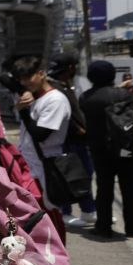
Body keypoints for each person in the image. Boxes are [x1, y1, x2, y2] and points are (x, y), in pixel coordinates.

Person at [80, 60, 133, 239]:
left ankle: (103, 226)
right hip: (126, 150)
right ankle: (132, 227)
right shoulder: (126, 95)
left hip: (100, 150)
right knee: (131, 189)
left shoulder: (85, 97)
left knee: (104, 189)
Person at [13, 55, 70, 241]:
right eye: (21, 78)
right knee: (38, 220)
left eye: (29, 77)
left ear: (42, 73)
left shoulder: (56, 100)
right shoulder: (36, 97)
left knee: (50, 220)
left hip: (47, 167)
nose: (25, 82)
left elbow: (40, 134)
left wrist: (23, 112)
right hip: (32, 167)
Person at [48, 55, 97, 229]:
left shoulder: (65, 85)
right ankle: (65, 212)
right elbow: (63, 115)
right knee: (67, 177)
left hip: (78, 141)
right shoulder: (55, 88)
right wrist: (78, 129)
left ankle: (88, 210)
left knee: (84, 175)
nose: (75, 69)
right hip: (67, 140)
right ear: (69, 67)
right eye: (74, 66)